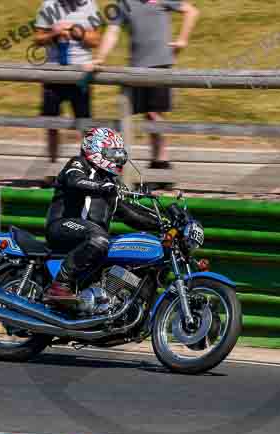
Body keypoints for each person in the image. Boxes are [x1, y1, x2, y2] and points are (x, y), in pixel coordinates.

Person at [43, 127, 162, 306]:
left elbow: (130, 214)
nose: (117, 158)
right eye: (112, 153)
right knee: (98, 237)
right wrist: (101, 187)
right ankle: (60, 285)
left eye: (119, 154)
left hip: (90, 238)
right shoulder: (78, 163)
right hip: (62, 226)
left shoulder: (111, 183)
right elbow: (75, 181)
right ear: (96, 149)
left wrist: (163, 223)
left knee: (122, 255)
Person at [86, 0, 199, 169]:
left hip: (160, 64)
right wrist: (100, 57)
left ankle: (162, 161)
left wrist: (182, 40)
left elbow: (191, 11)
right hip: (137, 66)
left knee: (155, 114)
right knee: (144, 115)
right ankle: (155, 161)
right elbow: (113, 31)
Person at [34, 0, 102, 162]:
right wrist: (53, 34)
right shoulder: (49, 5)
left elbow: (96, 40)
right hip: (53, 73)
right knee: (51, 124)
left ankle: (86, 168)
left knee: (84, 124)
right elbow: (37, 38)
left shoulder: (89, 5)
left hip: (81, 73)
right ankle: (51, 169)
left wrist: (78, 33)